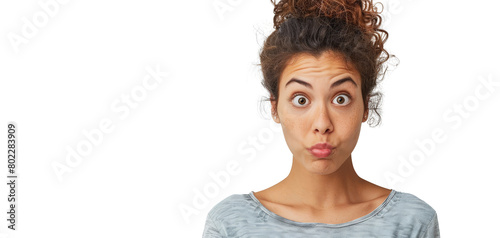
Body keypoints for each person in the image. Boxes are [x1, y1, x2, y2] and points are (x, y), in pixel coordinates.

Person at [202, 0, 440, 237]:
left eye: (341, 99)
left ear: (366, 106)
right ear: (275, 108)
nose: (322, 124)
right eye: (301, 100)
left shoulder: (412, 222)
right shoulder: (232, 224)